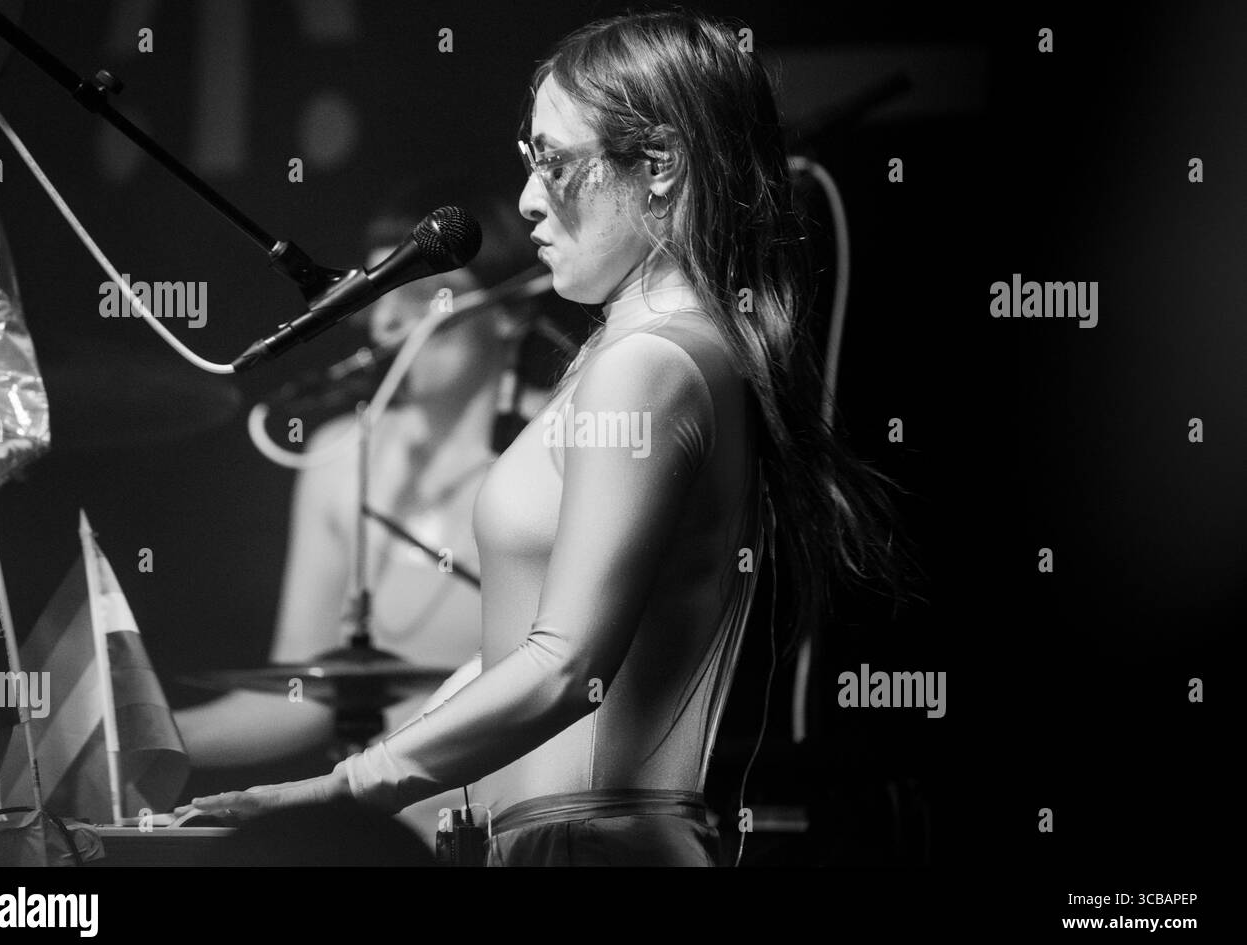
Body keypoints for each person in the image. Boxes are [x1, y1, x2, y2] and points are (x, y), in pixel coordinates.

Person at [185, 9, 912, 866]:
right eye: (529, 163)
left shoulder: (648, 364)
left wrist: (351, 786)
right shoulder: (643, 348)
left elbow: (567, 663)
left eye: (555, 164)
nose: (528, 199)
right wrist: (428, 779)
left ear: (662, 167)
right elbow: (522, 647)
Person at [173, 175, 550, 851]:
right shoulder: (339, 456)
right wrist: (151, 736)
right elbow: (302, 696)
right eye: (379, 293)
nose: (389, 320)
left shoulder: (555, 445)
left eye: (421, 293)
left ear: (510, 309)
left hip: (524, 826)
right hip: (382, 836)